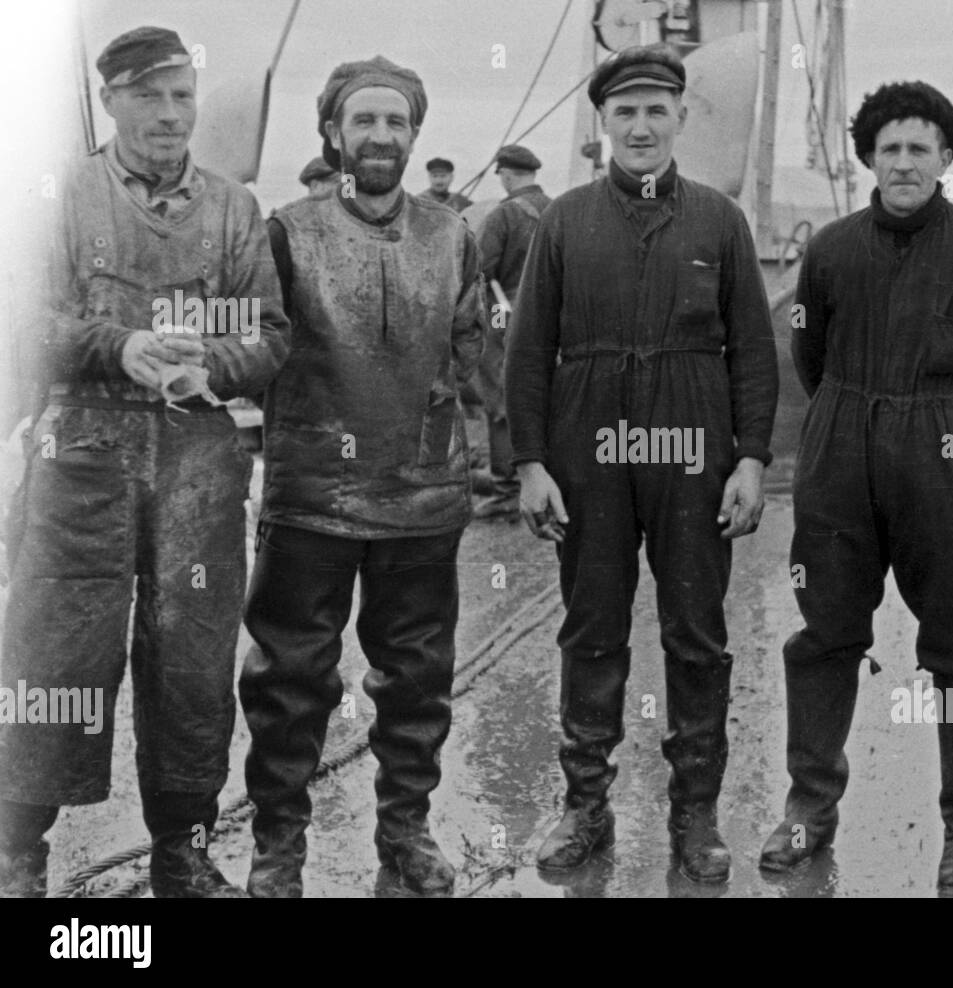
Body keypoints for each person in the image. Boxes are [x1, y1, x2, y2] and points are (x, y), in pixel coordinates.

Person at [0, 26, 290, 898]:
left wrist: (214, 365)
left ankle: (183, 852)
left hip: (198, 453)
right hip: (83, 452)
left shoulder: (236, 208)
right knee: (55, 656)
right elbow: (25, 325)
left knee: (193, 660)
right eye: (148, 96)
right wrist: (115, 344)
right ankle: (19, 853)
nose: (169, 114)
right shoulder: (60, 195)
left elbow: (271, 334)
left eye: (182, 96)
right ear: (111, 102)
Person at [505, 44, 778, 884]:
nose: (641, 126)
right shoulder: (564, 221)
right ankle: (584, 807)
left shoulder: (719, 222)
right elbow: (527, 348)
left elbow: (754, 355)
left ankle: (695, 815)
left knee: (697, 635)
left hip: (692, 445)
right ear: (603, 125)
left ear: (681, 118)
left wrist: (753, 460)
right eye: (625, 112)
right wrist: (530, 462)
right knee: (592, 631)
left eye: (657, 109)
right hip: (590, 445)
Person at [759, 81, 953, 898]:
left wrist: (949, 434)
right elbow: (808, 357)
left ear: (947, 157)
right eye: (891, 149)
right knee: (825, 636)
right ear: (870, 160)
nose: (906, 162)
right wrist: (854, 418)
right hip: (842, 449)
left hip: (947, 456)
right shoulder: (833, 251)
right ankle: (809, 807)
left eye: (921, 148)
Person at [238, 55, 485, 898]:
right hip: (312, 499)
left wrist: (524, 459)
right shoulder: (288, 231)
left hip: (423, 498)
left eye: (396, 122)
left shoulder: (452, 235)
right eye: (364, 120)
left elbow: (477, 354)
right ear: (335, 133)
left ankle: (406, 833)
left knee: (417, 680)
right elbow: (260, 344)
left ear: (415, 135)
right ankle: (279, 845)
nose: (380, 136)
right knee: (288, 680)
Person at [471, 144, 551, 521]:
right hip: (556, 318)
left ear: (505, 174)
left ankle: (506, 490)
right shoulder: (560, 210)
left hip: (507, 315)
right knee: (549, 398)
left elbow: (478, 270)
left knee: (501, 401)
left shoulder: (503, 214)